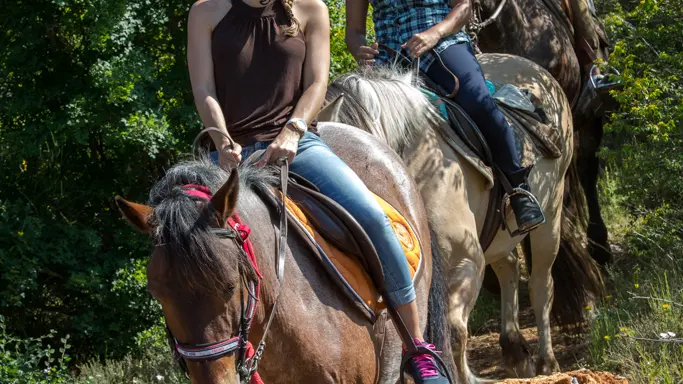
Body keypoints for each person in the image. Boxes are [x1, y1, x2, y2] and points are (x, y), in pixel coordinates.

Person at [185, 0, 449, 382]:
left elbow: (317, 83)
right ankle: (210, 361)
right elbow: (204, 87)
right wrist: (222, 140)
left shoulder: (311, 9)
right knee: (186, 247)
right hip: (229, 156)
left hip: (297, 147)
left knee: (373, 219)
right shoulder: (205, 12)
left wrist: (292, 131)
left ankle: (418, 348)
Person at [345, 0, 545, 234]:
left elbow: (463, 7)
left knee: (478, 102)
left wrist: (434, 34)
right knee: (353, 115)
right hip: (389, 60)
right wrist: (359, 49)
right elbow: (354, 30)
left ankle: (518, 189)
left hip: (441, 47)